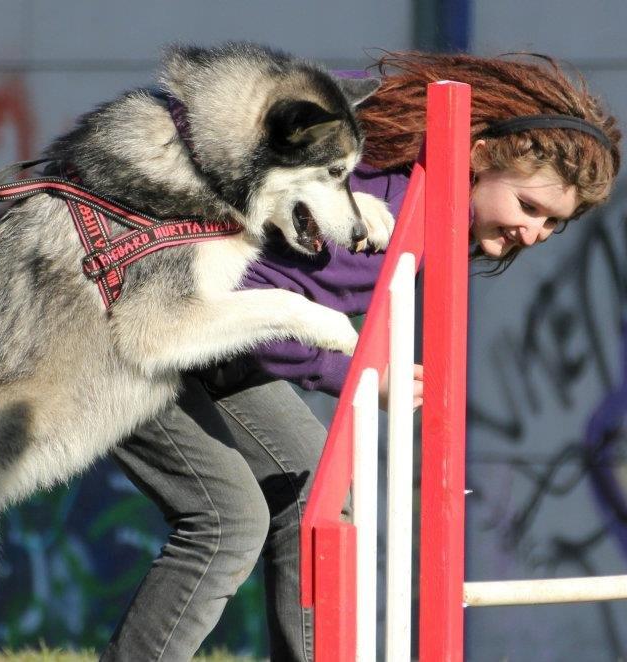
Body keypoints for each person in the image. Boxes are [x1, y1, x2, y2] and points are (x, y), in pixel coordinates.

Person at [101, 52, 622, 662]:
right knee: (228, 521)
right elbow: (240, 303)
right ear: (478, 154)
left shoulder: (422, 199)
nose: (533, 235)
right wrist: (350, 372)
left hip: (217, 344)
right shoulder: (383, 197)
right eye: (530, 209)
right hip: (136, 323)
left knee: (313, 492)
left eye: (554, 225)